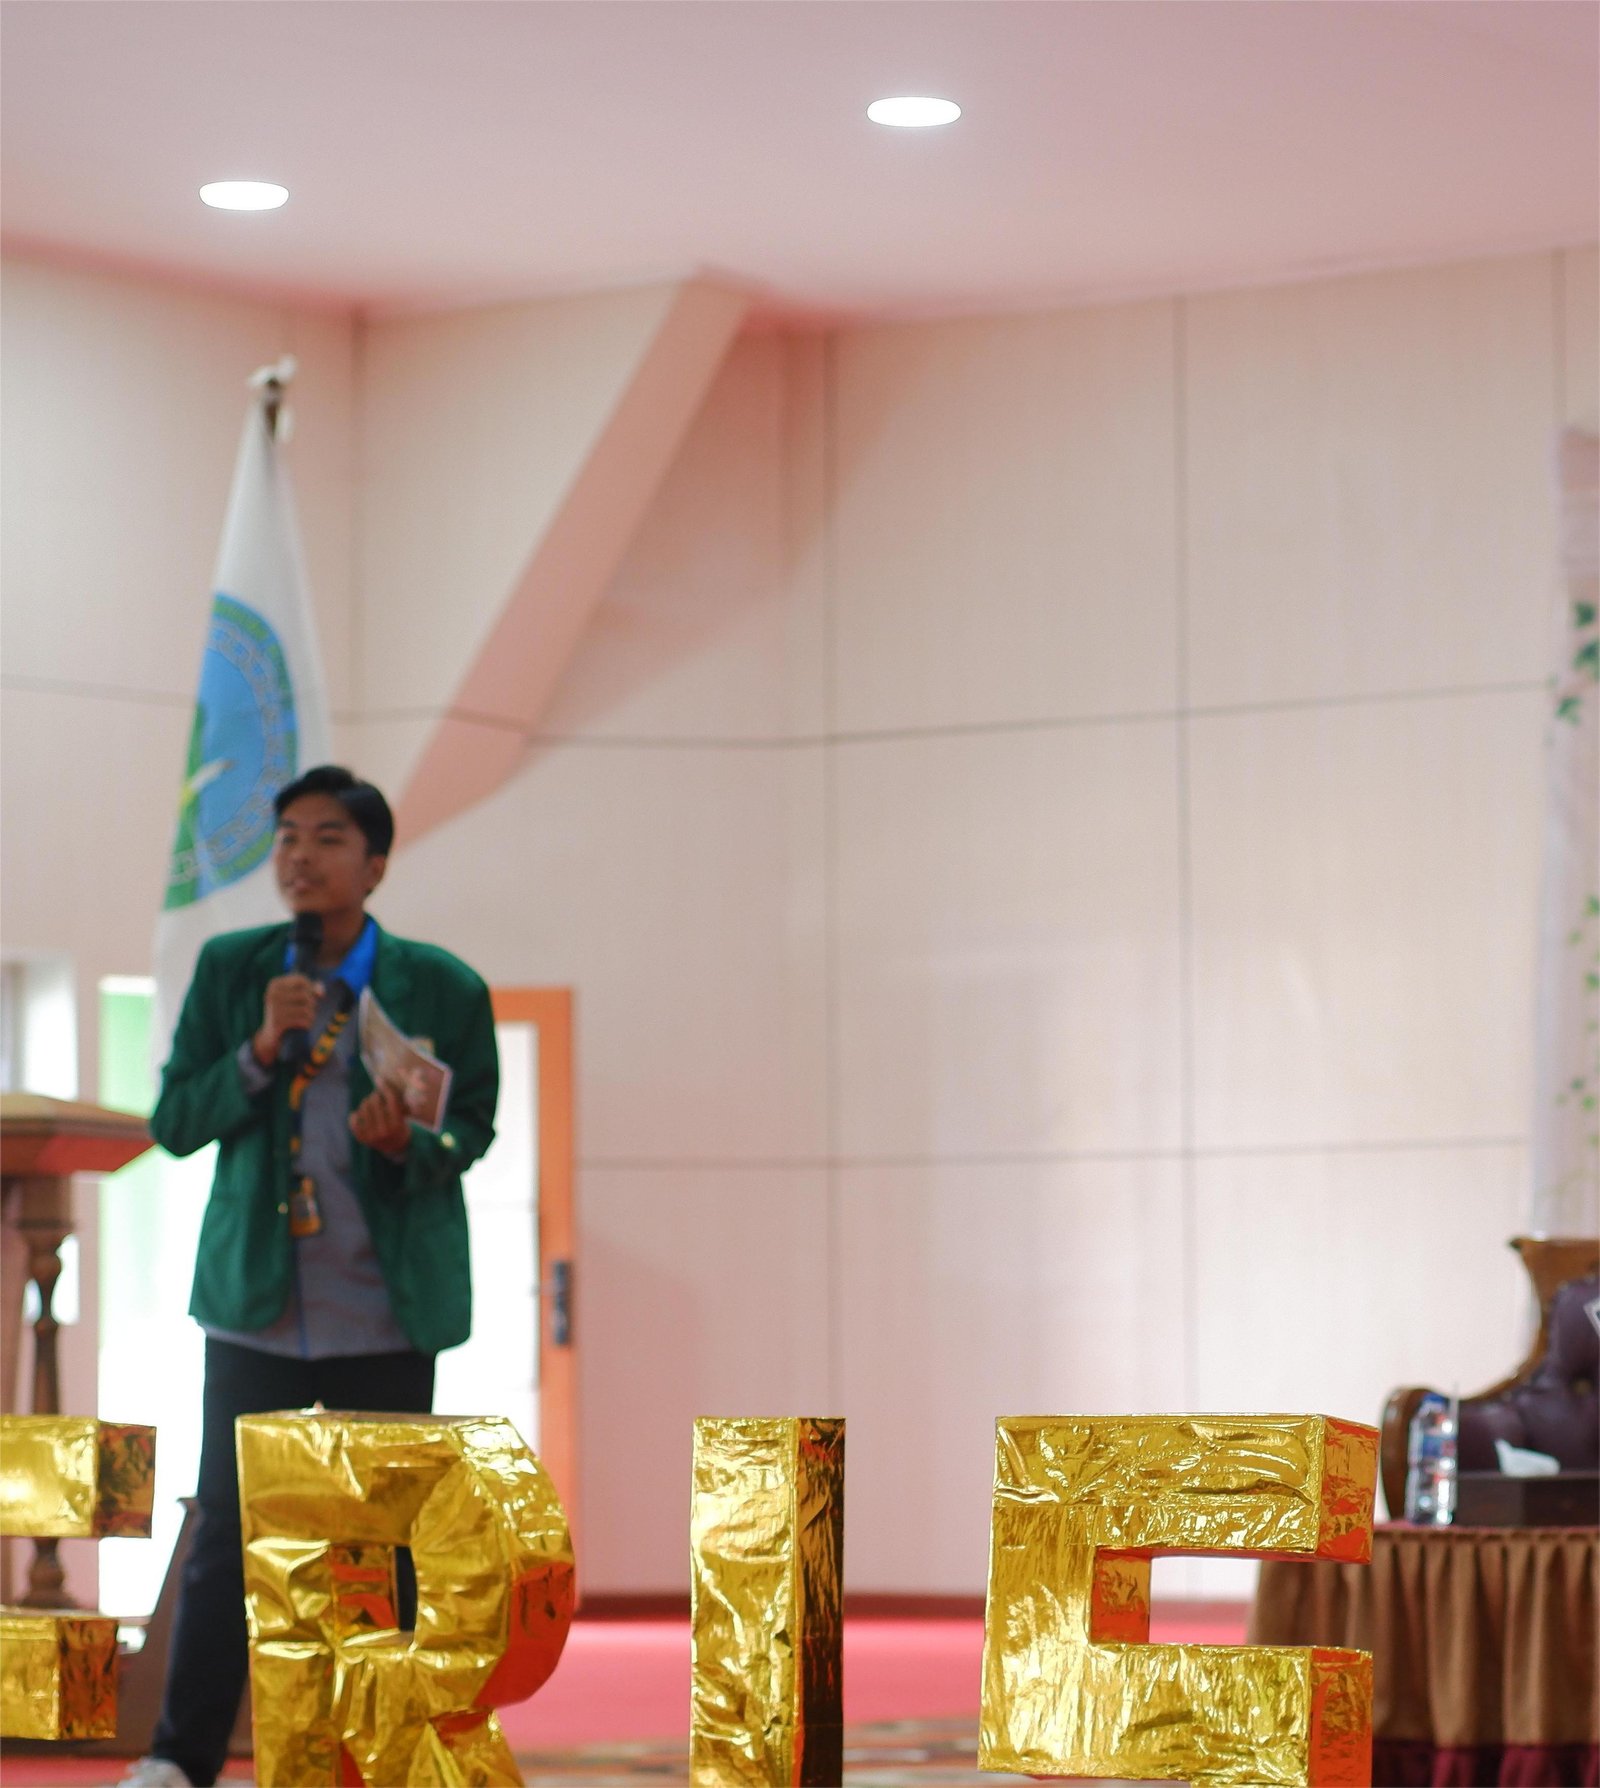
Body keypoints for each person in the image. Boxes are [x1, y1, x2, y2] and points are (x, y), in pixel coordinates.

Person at [123, 766, 498, 1788]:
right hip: (257, 1304)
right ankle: (180, 1758)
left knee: (387, 1543)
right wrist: (257, 1047)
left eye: (328, 837)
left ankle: (386, 1753)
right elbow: (174, 1121)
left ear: (374, 864)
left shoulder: (444, 986)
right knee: (226, 1531)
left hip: (386, 1309)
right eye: (288, 836)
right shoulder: (235, 969)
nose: (300, 856)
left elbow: (471, 1127)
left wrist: (406, 1144)